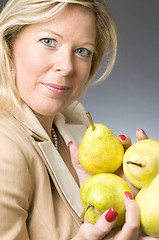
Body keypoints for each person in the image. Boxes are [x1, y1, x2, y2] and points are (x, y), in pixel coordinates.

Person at [0, 0, 157, 239]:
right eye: (48, 41)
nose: (66, 67)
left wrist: (133, 199)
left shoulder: (74, 120)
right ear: (9, 41)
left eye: (82, 51)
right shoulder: (4, 147)